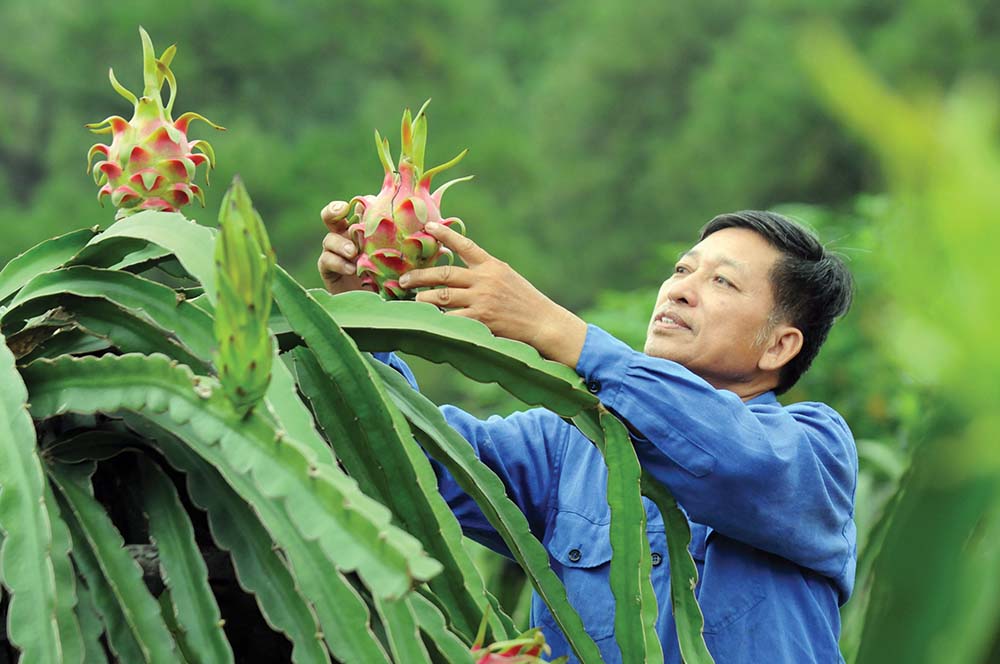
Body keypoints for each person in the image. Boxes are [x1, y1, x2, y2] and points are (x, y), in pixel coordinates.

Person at [318, 205, 857, 663]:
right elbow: (412, 462)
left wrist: (555, 328)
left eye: (722, 281)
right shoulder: (567, 444)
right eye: (681, 270)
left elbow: (730, 459)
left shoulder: (815, 451)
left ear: (779, 347)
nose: (680, 291)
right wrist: (360, 318)